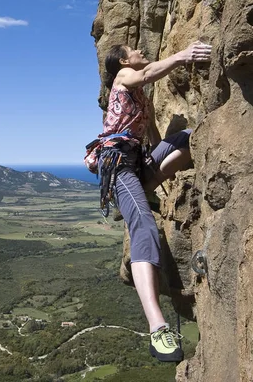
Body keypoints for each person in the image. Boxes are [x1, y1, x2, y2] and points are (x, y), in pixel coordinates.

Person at [85, 40, 212, 362]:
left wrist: (159, 161)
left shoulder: (141, 95)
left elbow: (153, 135)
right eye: (134, 50)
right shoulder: (125, 76)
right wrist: (183, 56)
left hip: (137, 162)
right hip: (117, 164)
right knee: (144, 227)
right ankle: (157, 327)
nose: (141, 51)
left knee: (185, 139)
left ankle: (145, 189)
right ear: (124, 61)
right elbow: (148, 73)